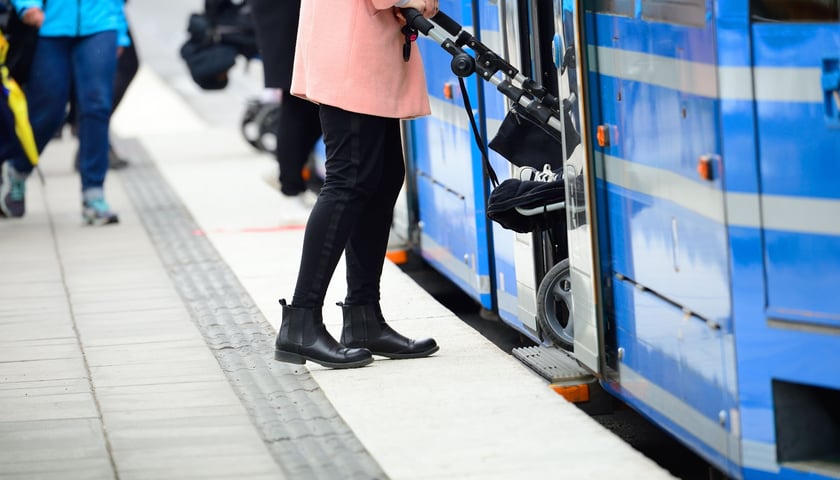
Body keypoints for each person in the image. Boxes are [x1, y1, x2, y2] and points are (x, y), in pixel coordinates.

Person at [273, 0, 440, 369]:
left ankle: (364, 315)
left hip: (368, 44)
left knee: (381, 178)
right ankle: (301, 320)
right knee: (348, 181)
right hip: (351, 49)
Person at [0, 0, 127, 224]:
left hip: (101, 22)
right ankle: (18, 169)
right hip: (49, 24)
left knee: (97, 105)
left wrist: (120, 29)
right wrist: (27, 5)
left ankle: (94, 194)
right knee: (49, 110)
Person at [247, 0, 321, 203]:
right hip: (288, 16)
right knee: (298, 102)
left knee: (305, 104)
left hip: (290, 15)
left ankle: (291, 180)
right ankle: (290, 186)